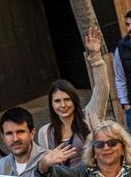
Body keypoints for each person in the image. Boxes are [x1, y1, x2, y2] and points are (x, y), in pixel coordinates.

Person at [37, 27, 110, 161]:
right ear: (51, 104)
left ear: (74, 100)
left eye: (67, 99)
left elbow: (102, 88)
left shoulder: (90, 116)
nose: (63, 105)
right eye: (57, 101)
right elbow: (46, 163)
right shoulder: (44, 133)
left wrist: (95, 56)